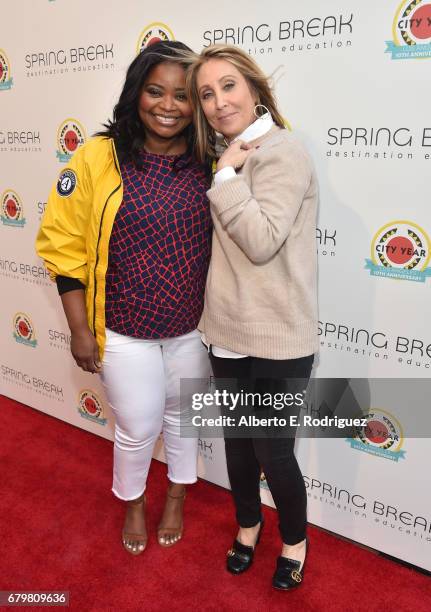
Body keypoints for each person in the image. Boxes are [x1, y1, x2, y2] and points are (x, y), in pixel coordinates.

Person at [36, 41, 212, 556]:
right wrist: (78, 329)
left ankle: (176, 496)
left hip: (193, 329)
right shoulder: (97, 156)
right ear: (136, 93)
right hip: (123, 328)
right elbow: (62, 245)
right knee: (137, 426)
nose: (167, 105)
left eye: (182, 95)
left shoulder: (212, 158)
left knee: (184, 420)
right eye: (154, 91)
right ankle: (134, 501)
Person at [186, 45, 318, 589]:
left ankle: (294, 539)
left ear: (256, 89)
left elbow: (262, 242)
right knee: (238, 445)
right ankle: (247, 524)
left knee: (273, 451)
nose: (218, 103)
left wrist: (224, 176)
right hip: (226, 329)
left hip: (280, 336)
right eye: (207, 94)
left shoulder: (282, 152)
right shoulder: (230, 154)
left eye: (229, 86)